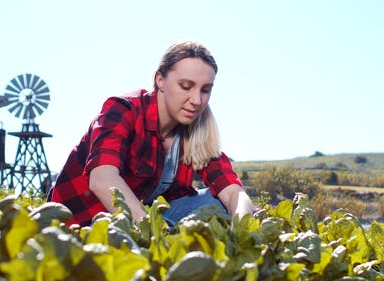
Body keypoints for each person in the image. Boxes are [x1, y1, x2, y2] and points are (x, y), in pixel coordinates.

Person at [49, 40, 254, 227]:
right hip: (85, 221)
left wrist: (241, 229)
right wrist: (155, 234)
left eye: (205, 90)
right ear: (160, 80)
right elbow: (102, 180)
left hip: (136, 219)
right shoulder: (124, 110)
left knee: (216, 203)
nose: (197, 100)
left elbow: (234, 192)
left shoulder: (197, 130)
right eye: (186, 86)